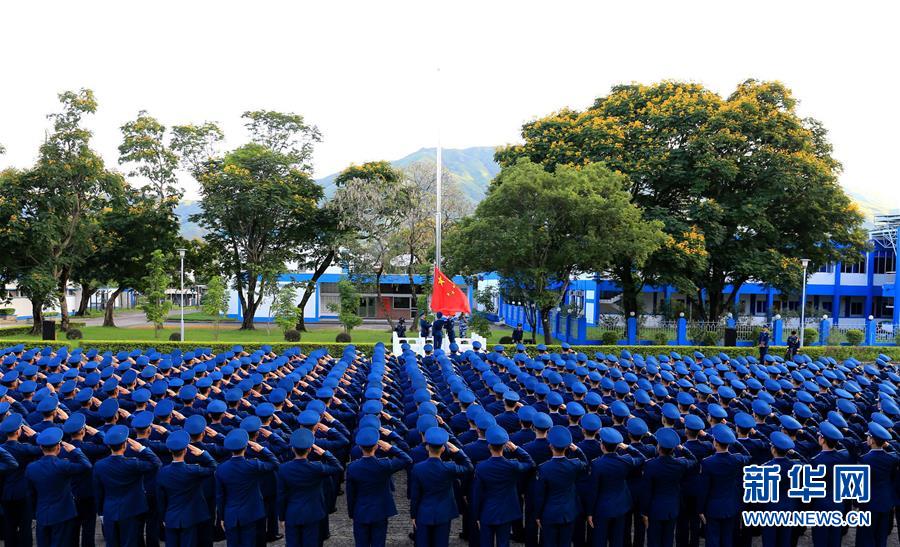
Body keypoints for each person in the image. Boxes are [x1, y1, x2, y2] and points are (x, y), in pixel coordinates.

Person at [93, 424, 163, 547]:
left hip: (110, 510)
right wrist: (142, 449)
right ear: (125, 445)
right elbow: (157, 463)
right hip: (132, 509)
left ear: (109, 446)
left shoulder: (99, 465)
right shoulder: (132, 464)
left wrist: (101, 512)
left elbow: (99, 491)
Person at [25, 426, 92, 547]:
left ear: (41, 447)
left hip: (42, 513)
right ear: (58, 447)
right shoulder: (63, 465)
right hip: (63, 514)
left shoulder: (31, 467)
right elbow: (86, 466)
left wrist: (35, 512)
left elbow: (30, 493)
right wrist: (75, 451)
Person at [346, 428, 413, 547]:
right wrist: (391, 448)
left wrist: (352, 512)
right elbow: (407, 459)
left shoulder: (352, 467)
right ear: (376, 447)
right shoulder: (384, 464)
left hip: (361, 511)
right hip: (380, 510)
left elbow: (350, 494)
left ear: (360, 447)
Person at [277, 429, 344, 547]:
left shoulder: (283, 469)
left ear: (293, 449)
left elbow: (281, 495)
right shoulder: (316, 468)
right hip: (313, 513)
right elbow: (338, 467)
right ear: (309, 449)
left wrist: (282, 517)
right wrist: (324, 453)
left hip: (293, 513)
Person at [409, 427, 473, 547]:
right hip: (444, 511)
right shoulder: (449, 467)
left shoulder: (418, 468)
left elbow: (415, 495)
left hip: (424, 511)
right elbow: (469, 467)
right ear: (443, 449)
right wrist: (458, 451)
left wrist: (413, 514)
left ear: (427, 447)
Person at [215, 428, 280, 547]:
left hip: (231, 514)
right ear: (245, 447)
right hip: (252, 513)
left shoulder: (221, 468)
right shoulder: (252, 465)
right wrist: (263, 450)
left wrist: (222, 517)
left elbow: (220, 496)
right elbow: (275, 464)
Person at [472, 425, 535, 547]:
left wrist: (477, 515)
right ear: (504, 447)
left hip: (487, 511)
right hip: (506, 511)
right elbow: (530, 463)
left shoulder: (481, 467)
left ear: (489, 446)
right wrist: (516, 449)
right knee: (504, 543)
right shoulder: (512, 465)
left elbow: (477, 494)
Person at [156, 430, 218, 547]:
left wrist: (163, 516)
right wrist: (203, 453)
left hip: (171, 516)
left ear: (169, 450)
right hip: (191, 516)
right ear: (185, 451)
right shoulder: (193, 470)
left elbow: (160, 498)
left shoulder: (162, 472)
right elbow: (214, 467)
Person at [586, 428, 646, 547]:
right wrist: (628, 447)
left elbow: (593, 491)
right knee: (617, 541)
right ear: (618, 447)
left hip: (602, 508)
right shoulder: (626, 460)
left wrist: (589, 512)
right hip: (620, 506)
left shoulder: (596, 464)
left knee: (600, 541)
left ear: (602, 446)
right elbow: (641, 457)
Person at [532, 425, 588, 547]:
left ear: (550, 446)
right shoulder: (574, 464)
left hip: (549, 513)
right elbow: (585, 462)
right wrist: (577, 449)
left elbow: (539, 496)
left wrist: (537, 515)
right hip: (569, 512)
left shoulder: (543, 468)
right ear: (567, 447)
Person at [641, 428, 697, 547]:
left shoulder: (650, 465)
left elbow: (647, 491)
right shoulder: (679, 464)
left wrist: (644, 511)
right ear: (673, 449)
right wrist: (682, 448)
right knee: (668, 540)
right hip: (672, 507)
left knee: (654, 541)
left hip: (655, 509)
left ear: (659, 447)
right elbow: (693, 459)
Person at [697, 425, 751, 547]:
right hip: (731, 505)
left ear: (715, 443)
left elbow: (704, 489)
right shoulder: (736, 459)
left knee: (713, 540)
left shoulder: (707, 462)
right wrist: (734, 441)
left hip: (713, 507)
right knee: (727, 539)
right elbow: (747, 454)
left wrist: (700, 509)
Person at [854, 423, 898, 547]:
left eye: (868, 437)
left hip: (868, 503)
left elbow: (860, 484)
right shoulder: (891, 458)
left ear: (872, 440)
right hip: (885, 501)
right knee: (881, 537)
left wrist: (856, 503)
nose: (867, 439)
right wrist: (888, 445)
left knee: (866, 537)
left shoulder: (864, 459)